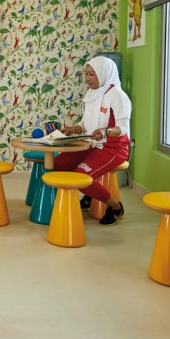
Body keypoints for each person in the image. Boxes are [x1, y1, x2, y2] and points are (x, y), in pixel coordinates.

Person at [54, 55, 131, 226]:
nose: (88, 78)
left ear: (104, 73)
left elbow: (123, 128)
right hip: (92, 143)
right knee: (58, 164)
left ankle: (116, 207)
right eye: (86, 74)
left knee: (82, 176)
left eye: (92, 74)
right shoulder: (91, 94)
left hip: (113, 148)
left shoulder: (118, 96)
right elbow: (85, 123)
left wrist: (106, 131)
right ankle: (89, 197)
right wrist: (75, 129)